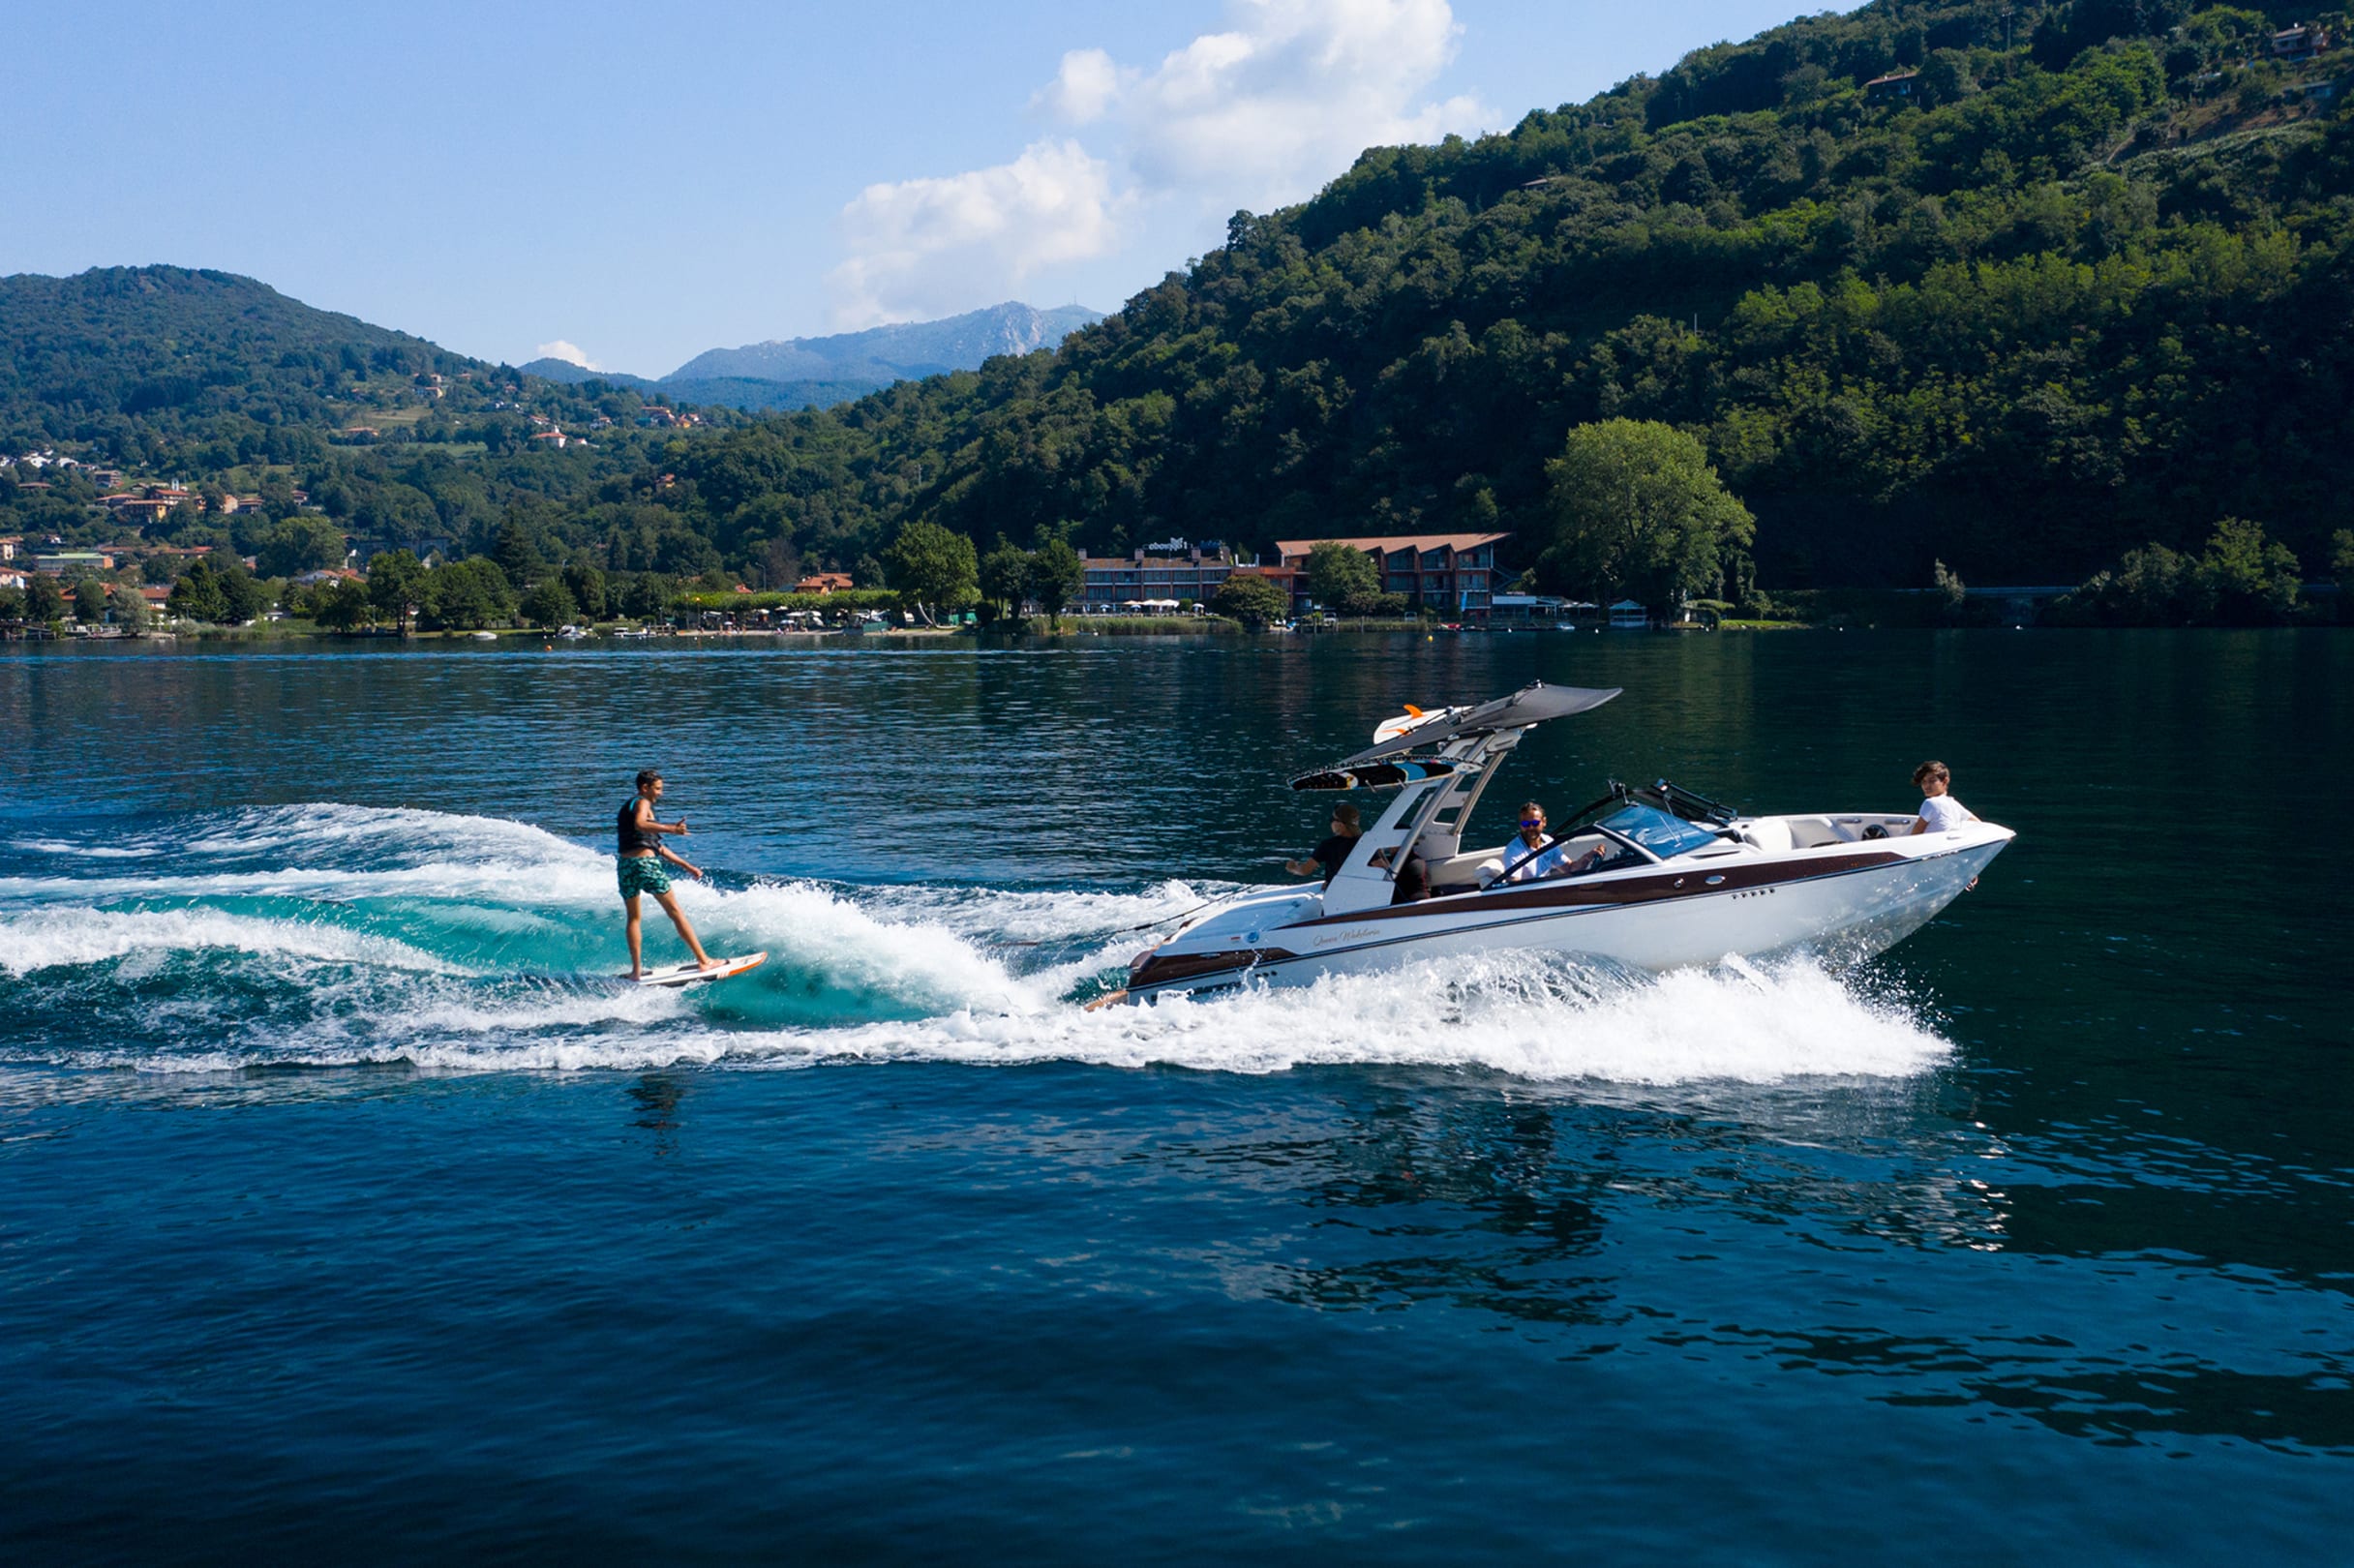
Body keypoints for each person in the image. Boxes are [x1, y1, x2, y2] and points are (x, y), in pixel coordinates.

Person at [618, 769, 718, 979]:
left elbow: (657, 847)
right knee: (675, 912)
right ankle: (704, 961)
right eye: (657, 788)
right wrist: (672, 829)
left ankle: (636, 971)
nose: (660, 793)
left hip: (626, 866)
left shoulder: (629, 808)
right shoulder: (642, 803)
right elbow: (640, 824)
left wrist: (687, 866)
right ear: (645, 788)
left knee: (634, 918)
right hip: (645, 865)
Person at [1498, 801, 1607, 885]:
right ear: (1520, 825)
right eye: (1526, 824)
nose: (1530, 828)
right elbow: (1513, 884)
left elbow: (1570, 869)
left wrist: (1588, 857)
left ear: (1544, 822)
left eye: (1535, 823)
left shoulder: (1548, 842)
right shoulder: (1513, 850)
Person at [1285, 802, 1361, 885]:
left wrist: (1293, 868)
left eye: (1331, 819)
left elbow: (1305, 870)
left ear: (1340, 824)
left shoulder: (1329, 845)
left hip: (1337, 887)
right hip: (1358, 886)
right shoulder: (1363, 843)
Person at [1910, 761, 1979, 835]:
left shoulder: (1930, 802)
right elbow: (1979, 824)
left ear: (1945, 781)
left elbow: (1915, 834)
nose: (1926, 786)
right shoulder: (1954, 804)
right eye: (1923, 782)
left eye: (1932, 781)